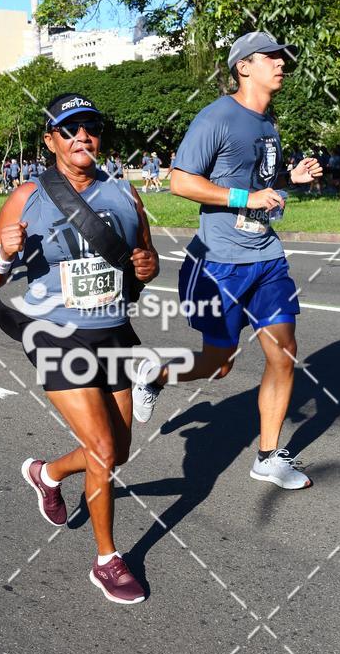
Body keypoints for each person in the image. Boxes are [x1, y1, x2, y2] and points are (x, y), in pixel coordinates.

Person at [0, 93, 159, 604]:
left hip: (113, 331)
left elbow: (145, 262)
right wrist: (4, 253)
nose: (82, 136)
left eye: (90, 127)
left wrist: (147, 267)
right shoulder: (27, 196)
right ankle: (107, 560)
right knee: (101, 449)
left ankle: (48, 472)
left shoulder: (125, 193)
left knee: (116, 452)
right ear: (50, 140)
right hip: (54, 332)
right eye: (69, 129)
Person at [132, 31, 323, 490]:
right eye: (271, 57)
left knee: (284, 352)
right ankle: (156, 374)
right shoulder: (217, 116)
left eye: (282, 57)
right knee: (220, 364)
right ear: (244, 66)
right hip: (220, 263)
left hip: (266, 256)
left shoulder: (268, 124)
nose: (281, 63)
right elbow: (180, 181)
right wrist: (245, 197)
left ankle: (268, 457)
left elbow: (260, 184)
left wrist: (289, 178)